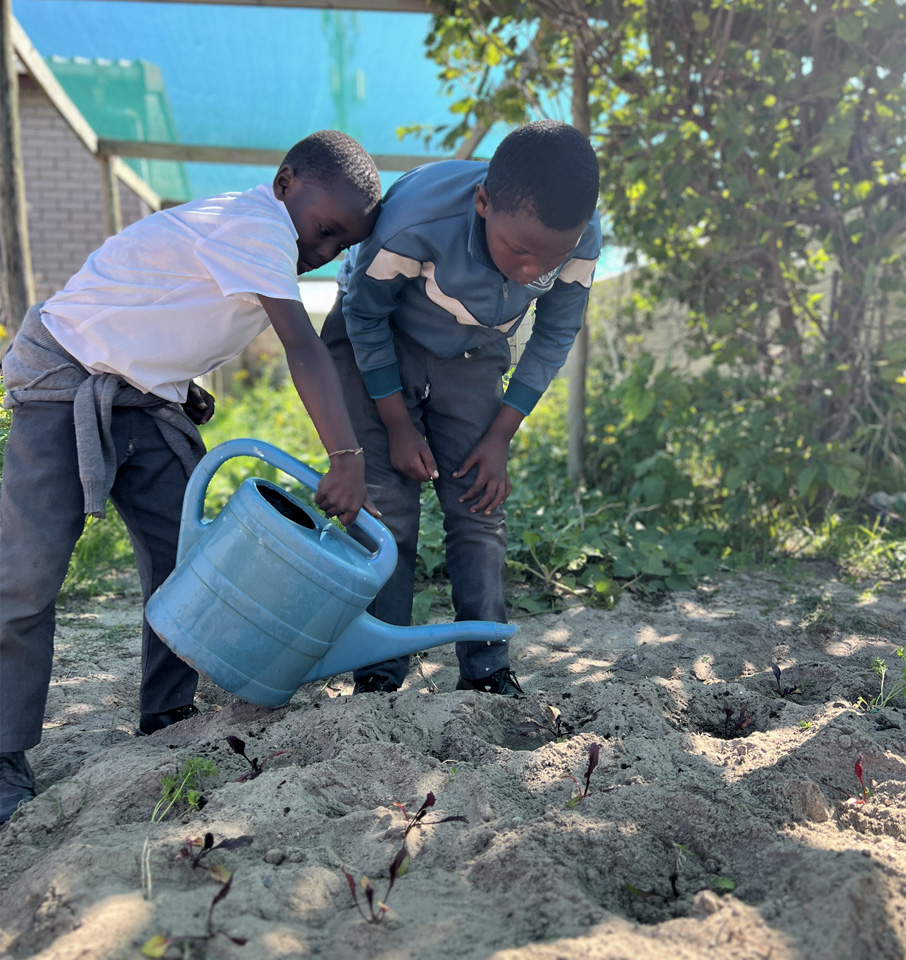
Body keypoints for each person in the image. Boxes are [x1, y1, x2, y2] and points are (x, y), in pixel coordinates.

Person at [0, 130, 383, 823]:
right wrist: (347, 458)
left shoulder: (256, 237)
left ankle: (167, 711)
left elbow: (166, 309)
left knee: (188, 562)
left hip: (144, 398)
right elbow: (302, 347)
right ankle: (1, 751)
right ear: (286, 180)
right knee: (25, 578)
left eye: (341, 246)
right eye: (325, 230)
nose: (324, 252)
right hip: (64, 380)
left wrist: (181, 384)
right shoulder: (258, 224)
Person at [321, 119, 601, 697]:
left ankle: (488, 668)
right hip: (375, 342)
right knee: (387, 512)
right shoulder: (416, 222)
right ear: (482, 203)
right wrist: (397, 423)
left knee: (479, 506)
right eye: (519, 251)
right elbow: (364, 316)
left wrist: (501, 434)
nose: (531, 271)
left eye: (549, 260)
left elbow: (555, 333)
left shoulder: (577, 236)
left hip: (473, 353)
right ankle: (379, 669)